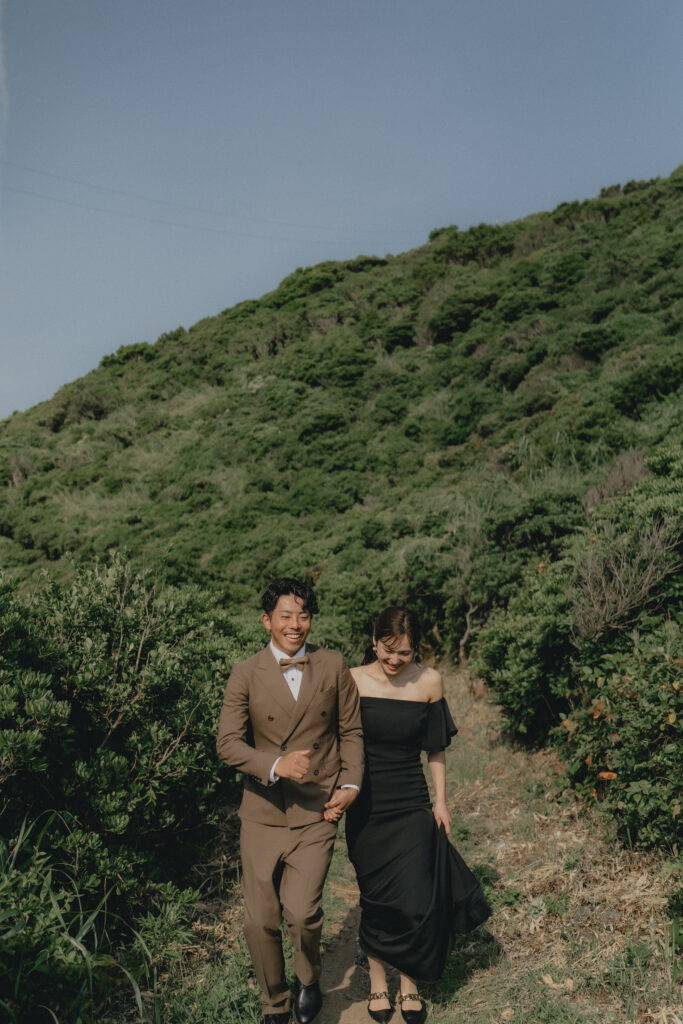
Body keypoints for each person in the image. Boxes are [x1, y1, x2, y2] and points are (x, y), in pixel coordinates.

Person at [216, 577, 364, 1024]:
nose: (295, 624)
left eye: (303, 615)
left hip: (318, 807)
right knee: (260, 919)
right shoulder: (245, 672)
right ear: (267, 620)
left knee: (302, 913)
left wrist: (350, 785)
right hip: (262, 813)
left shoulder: (333, 664)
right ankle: (274, 1002)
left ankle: (308, 978)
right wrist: (276, 764)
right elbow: (227, 744)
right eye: (285, 615)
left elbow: (351, 731)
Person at [345, 607, 490, 1024]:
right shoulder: (352, 680)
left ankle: (408, 984)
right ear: (374, 641)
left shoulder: (429, 681)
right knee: (375, 898)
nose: (394, 660)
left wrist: (440, 801)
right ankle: (377, 981)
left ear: (416, 649)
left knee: (413, 899)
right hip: (366, 807)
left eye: (404, 653)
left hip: (411, 803)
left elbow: (436, 748)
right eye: (387, 651)